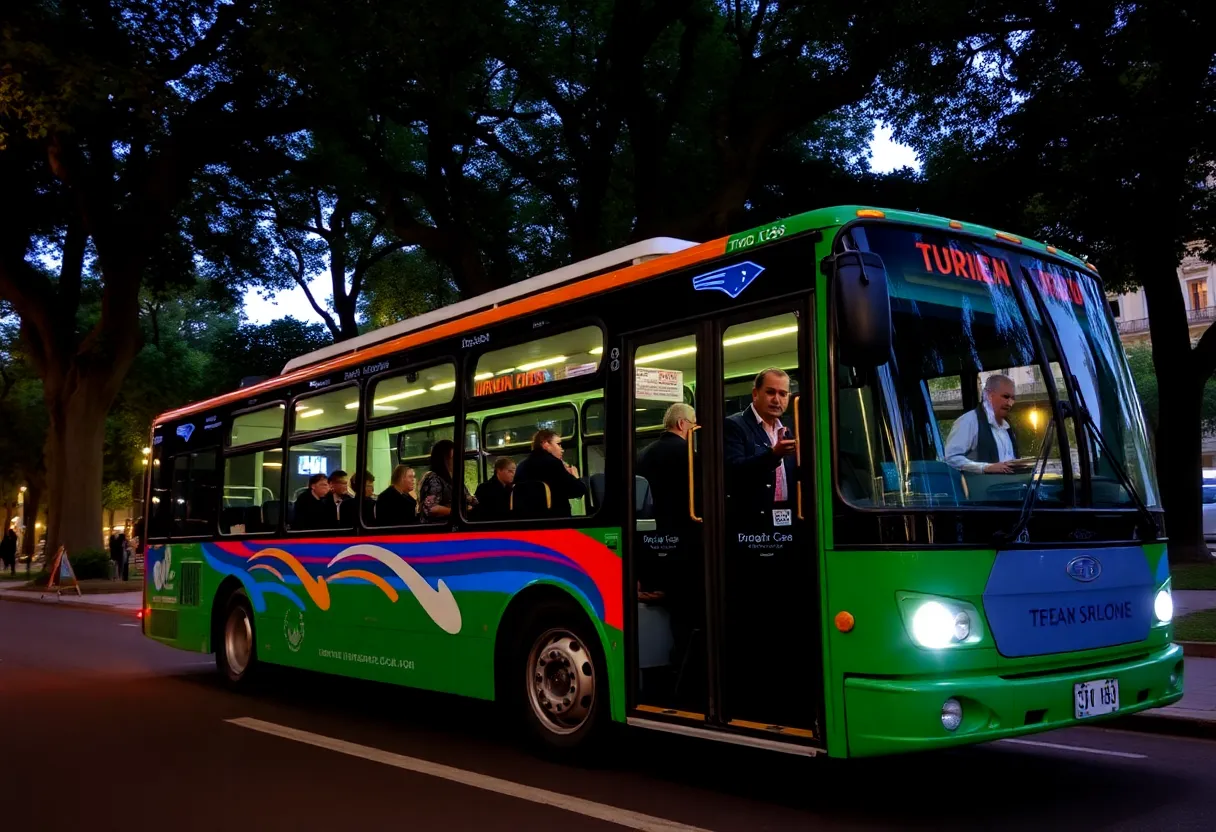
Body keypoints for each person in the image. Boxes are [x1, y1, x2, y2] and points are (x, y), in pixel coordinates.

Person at [723, 367, 797, 524]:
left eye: (783, 394)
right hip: (751, 522)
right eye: (770, 392)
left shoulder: (788, 429)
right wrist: (773, 455)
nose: (777, 400)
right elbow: (734, 471)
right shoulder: (734, 425)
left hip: (787, 515)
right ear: (755, 394)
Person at [943, 373, 1020, 474]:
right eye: (1006, 396)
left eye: (1012, 398)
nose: (1010, 403)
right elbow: (950, 459)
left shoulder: (1007, 425)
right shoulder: (968, 421)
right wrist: (985, 467)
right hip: (981, 488)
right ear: (989, 396)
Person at [513, 429, 588, 518]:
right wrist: (575, 477)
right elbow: (578, 491)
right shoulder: (554, 463)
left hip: (526, 523)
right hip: (555, 521)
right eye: (558, 444)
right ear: (546, 444)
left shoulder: (521, 466)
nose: (562, 449)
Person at [418, 440, 476, 523]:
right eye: (453, 457)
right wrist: (457, 511)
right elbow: (430, 508)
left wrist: (471, 500)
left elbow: (466, 496)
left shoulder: (454, 478)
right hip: (440, 527)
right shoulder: (434, 479)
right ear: (443, 459)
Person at [472, 457, 515, 521]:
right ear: (499, 470)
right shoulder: (484, 489)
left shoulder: (510, 488)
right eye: (510, 471)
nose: (513, 474)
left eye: (514, 471)